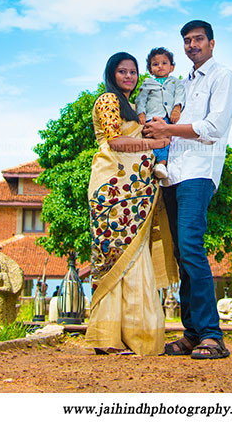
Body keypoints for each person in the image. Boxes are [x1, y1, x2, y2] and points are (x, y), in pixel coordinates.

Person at [143, 20, 232, 360]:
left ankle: (213, 335)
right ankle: (192, 333)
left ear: (211, 43)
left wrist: (168, 127)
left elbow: (214, 128)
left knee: (192, 248)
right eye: (186, 41)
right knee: (181, 254)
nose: (192, 45)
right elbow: (167, 124)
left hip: (199, 173)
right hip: (172, 176)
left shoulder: (222, 77)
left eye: (198, 39)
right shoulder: (181, 83)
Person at [85, 51, 180, 355]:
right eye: (122, 72)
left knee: (136, 257)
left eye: (133, 72)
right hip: (112, 188)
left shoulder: (135, 106)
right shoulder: (108, 101)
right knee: (115, 257)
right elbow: (114, 142)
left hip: (136, 189)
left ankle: (135, 337)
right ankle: (109, 337)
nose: (129, 77)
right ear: (111, 74)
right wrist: (154, 143)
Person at [134, 47, 184, 183]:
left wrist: (176, 109)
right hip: (152, 117)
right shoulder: (147, 83)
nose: (160, 66)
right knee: (151, 139)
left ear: (172, 67)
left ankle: (162, 164)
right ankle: (154, 164)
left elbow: (180, 96)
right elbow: (141, 99)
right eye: (155, 64)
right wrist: (141, 113)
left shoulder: (176, 82)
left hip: (167, 118)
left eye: (164, 63)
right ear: (150, 70)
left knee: (167, 140)